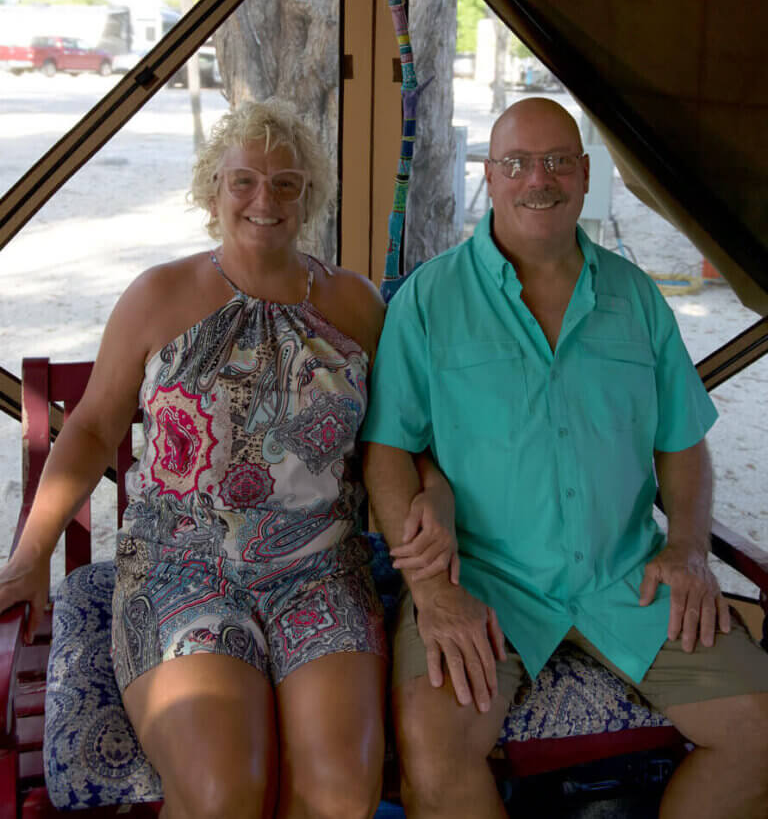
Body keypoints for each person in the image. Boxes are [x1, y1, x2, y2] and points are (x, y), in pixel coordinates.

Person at [0, 99, 447, 819]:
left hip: (321, 570)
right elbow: (87, 432)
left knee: (341, 796)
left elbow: (401, 440)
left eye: (287, 183)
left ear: (311, 195)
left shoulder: (357, 305)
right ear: (213, 191)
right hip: (181, 569)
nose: (263, 200)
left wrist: (435, 511)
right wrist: (29, 557)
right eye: (243, 180)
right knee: (221, 795)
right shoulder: (159, 296)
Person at [362, 97, 768, 819]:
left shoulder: (637, 298)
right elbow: (390, 451)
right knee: (432, 756)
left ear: (584, 175)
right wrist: (431, 590)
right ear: (491, 174)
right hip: (486, 580)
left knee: (761, 737)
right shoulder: (430, 298)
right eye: (516, 163)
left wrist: (686, 548)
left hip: (626, 576)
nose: (537, 180)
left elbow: (682, 444)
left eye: (556, 162)